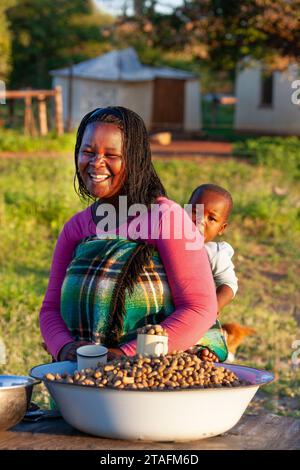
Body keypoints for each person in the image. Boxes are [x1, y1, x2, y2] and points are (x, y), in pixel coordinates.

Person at [39, 107, 218, 363]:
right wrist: (65, 348)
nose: (96, 163)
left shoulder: (166, 219)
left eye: (111, 155)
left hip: (151, 379)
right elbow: (50, 310)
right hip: (79, 379)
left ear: (134, 159)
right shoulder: (76, 228)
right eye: (87, 152)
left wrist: (126, 355)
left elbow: (200, 308)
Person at [188, 183, 238, 312]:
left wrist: (212, 309)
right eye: (195, 212)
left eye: (211, 218)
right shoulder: (168, 239)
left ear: (221, 228)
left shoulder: (214, 253)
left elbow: (229, 285)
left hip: (194, 312)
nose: (201, 221)